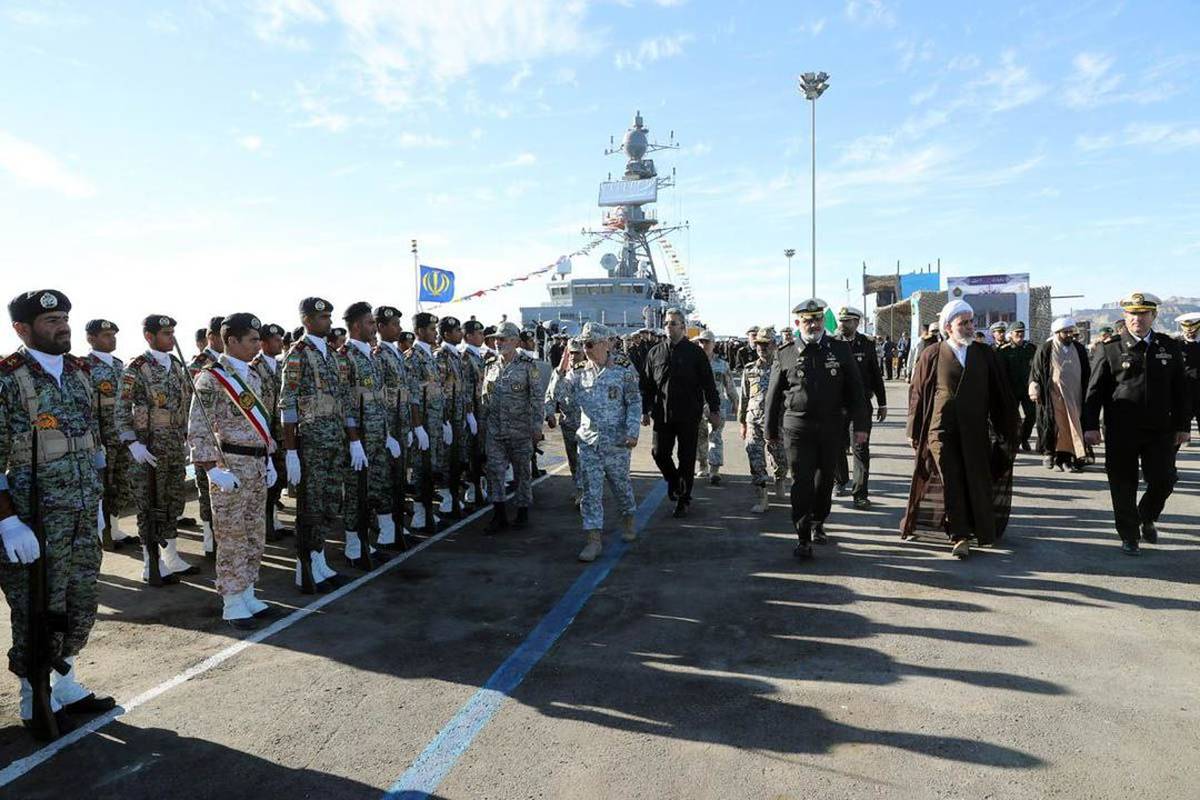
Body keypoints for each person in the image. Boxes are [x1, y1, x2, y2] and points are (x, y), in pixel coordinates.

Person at [1, 289, 116, 740]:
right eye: (50, 321)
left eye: (64, 317)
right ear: (22, 329)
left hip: (82, 511)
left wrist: (99, 500)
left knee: (80, 602)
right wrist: (7, 520)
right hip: (34, 521)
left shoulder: (79, 372)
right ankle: (34, 695)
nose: (62, 326)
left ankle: (65, 683)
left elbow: (91, 438)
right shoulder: (8, 379)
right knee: (37, 609)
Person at [901, 300, 1018, 559]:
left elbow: (1000, 394)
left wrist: (1008, 428)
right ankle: (959, 535)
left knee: (975, 478)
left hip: (976, 430)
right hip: (941, 430)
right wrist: (913, 430)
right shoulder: (932, 354)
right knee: (951, 479)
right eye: (962, 323)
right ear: (948, 327)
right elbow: (917, 394)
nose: (969, 327)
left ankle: (978, 527)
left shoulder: (985, 354)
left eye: (971, 322)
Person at [187, 313, 277, 630]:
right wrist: (212, 469)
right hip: (230, 466)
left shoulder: (253, 375)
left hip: (256, 465)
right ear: (232, 341)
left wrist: (268, 459)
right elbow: (198, 426)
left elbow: (261, 425)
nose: (258, 345)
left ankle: (248, 592)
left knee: (254, 533)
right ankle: (232, 601)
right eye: (252, 340)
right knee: (231, 536)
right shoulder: (212, 378)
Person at [1083, 292, 1191, 555]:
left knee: (1164, 479)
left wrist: (1183, 425)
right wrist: (1090, 426)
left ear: (1153, 316)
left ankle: (1146, 515)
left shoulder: (1168, 347)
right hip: (1121, 429)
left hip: (1160, 428)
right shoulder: (1109, 348)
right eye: (1132, 314)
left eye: (1143, 314)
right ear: (1125, 316)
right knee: (1122, 483)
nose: (1137, 319)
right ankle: (1129, 535)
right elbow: (1094, 391)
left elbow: (1180, 389)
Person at [765, 299, 869, 560]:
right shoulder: (785, 352)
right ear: (798, 322)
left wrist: (861, 426)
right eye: (808, 320)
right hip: (797, 428)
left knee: (824, 481)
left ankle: (818, 521)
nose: (813, 324)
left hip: (831, 427)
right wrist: (770, 431)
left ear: (823, 321)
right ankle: (802, 536)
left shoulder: (839, 349)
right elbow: (773, 396)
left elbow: (856, 390)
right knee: (802, 481)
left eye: (818, 319)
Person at [550, 322, 641, 562]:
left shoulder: (623, 368)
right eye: (583, 345)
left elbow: (634, 401)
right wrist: (560, 370)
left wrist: (632, 431)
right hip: (589, 442)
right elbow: (558, 395)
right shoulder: (578, 371)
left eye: (589, 345)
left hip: (617, 443)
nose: (585, 350)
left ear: (604, 344)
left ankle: (628, 518)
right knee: (590, 492)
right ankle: (593, 540)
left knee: (621, 487)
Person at [118, 314, 199, 581]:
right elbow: (121, 410)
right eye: (166, 333)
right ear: (149, 336)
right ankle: (150, 564)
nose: (171, 338)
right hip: (148, 449)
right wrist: (132, 443)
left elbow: (184, 403)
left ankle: (171, 557)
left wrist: (186, 436)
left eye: (172, 333)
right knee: (150, 505)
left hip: (174, 445)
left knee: (173, 501)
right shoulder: (136, 368)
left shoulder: (176, 365)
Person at [280, 297, 346, 592]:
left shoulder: (331, 354)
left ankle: (319, 558)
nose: (329, 322)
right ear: (307, 320)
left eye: (330, 316)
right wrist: (292, 451)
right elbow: (288, 404)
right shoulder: (298, 354)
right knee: (311, 507)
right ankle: (305, 565)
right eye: (323, 317)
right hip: (311, 444)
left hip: (333, 440)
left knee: (330, 503)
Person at [639, 308, 720, 518]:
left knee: (686, 458)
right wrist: (645, 410)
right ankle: (674, 481)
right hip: (662, 414)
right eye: (666, 323)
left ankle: (684, 499)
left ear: (683, 327)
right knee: (659, 453)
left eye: (673, 323)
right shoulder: (655, 353)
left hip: (688, 414)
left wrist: (714, 409)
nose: (668, 326)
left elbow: (708, 383)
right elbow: (646, 385)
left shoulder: (695, 353)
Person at [338, 302, 398, 569]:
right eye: (370, 323)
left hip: (376, 436)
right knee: (355, 493)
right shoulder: (346, 357)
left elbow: (378, 399)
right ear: (356, 326)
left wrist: (387, 433)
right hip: (359, 440)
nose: (374, 328)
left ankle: (366, 541)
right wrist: (354, 441)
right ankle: (353, 548)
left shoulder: (371, 356)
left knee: (375, 488)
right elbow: (345, 403)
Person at [480, 322, 543, 533]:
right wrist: (482, 425)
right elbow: (484, 398)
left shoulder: (527, 365)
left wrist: (536, 427)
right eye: (496, 339)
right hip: (495, 430)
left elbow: (536, 398)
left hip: (520, 430)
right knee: (495, 471)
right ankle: (499, 515)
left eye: (502, 339)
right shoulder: (490, 365)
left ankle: (522, 512)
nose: (498, 343)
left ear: (515, 341)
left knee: (522, 472)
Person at [84, 319, 136, 548]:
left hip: (122, 436)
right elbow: (86, 409)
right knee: (102, 486)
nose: (112, 339)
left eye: (113, 335)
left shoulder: (118, 364)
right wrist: (96, 442)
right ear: (91, 338)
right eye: (106, 335)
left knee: (121, 485)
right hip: (102, 438)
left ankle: (114, 529)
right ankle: (102, 535)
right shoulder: (84, 366)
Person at [832, 307, 887, 509]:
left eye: (847, 321)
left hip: (860, 406)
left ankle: (860, 494)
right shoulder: (831, 343)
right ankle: (840, 480)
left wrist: (882, 402)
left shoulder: (866, 344)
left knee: (861, 449)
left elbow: (876, 375)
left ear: (857, 322)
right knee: (836, 445)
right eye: (841, 320)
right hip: (837, 406)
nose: (842, 324)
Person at [1029, 317, 1090, 472]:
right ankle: (1052, 455)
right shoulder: (1046, 348)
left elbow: (1086, 372)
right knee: (1057, 426)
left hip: (1075, 397)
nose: (1070, 335)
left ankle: (1067, 459)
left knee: (1072, 426)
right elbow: (1036, 371)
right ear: (1057, 333)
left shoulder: (1079, 348)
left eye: (1071, 331)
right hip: (1053, 396)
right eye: (1066, 332)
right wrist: (1034, 386)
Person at [739, 326, 788, 513]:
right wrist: (742, 423)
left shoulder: (783, 368)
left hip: (776, 422)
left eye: (766, 344)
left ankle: (780, 478)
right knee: (755, 457)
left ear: (775, 345)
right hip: (754, 421)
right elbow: (744, 398)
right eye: (759, 344)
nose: (762, 348)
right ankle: (762, 498)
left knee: (780, 458)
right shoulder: (749, 369)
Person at [188, 316, 225, 561]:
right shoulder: (199, 364)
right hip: (206, 438)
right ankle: (211, 541)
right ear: (211, 337)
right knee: (207, 490)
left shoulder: (229, 362)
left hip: (228, 439)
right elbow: (188, 402)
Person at [249, 323, 290, 542]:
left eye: (281, 339)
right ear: (263, 343)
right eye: (275, 340)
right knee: (266, 482)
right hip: (265, 434)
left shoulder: (282, 365)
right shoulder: (255, 367)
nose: (280, 343)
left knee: (280, 479)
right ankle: (266, 526)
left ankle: (273, 520)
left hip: (282, 433)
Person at [406, 312, 445, 533]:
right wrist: (418, 426)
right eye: (431, 329)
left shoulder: (430, 355)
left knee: (431, 467)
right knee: (421, 468)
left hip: (434, 421)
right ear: (420, 331)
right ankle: (420, 513)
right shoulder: (413, 357)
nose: (435, 333)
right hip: (423, 423)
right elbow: (412, 396)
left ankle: (428, 509)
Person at [435, 316, 477, 518]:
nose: (460, 333)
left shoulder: (457, 356)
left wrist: (469, 413)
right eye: (457, 330)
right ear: (446, 334)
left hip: (459, 415)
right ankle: (447, 501)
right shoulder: (441, 356)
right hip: (449, 417)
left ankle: (454, 497)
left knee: (458, 458)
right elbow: (439, 391)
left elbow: (464, 388)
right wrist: (444, 421)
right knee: (446, 460)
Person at [545, 337, 586, 506]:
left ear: (584, 353)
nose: (574, 356)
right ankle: (578, 487)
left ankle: (583, 491)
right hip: (568, 424)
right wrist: (549, 414)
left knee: (583, 459)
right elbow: (551, 395)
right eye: (571, 353)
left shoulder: (590, 371)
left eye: (577, 353)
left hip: (586, 426)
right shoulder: (560, 373)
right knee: (573, 460)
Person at [694, 330, 735, 485]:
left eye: (707, 342)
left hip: (717, 407)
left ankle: (714, 470)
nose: (703, 345)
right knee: (700, 438)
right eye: (701, 342)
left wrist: (735, 401)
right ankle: (703, 465)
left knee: (715, 437)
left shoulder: (722, 365)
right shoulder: (693, 363)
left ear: (713, 344)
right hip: (698, 406)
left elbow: (729, 385)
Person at [459, 319, 488, 508]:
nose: (482, 336)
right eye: (478, 334)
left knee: (481, 450)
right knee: (472, 451)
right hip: (474, 412)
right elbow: (466, 389)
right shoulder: (466, 357)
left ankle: (480, 486)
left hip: (482, 411)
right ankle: (472, 488)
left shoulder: (478, 356)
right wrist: (469, 414)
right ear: (468, 336)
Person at [997, 321, 1038, 451]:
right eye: (1017, 332)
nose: (1020, 334)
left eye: (1022, 332)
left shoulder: (1030, 348)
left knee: (1032, 415)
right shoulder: (1004, 350)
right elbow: (1000, 371)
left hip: (1027, 388)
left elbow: (1036, 367)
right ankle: (1013, 440)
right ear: (1011, 334)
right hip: (1011, 389)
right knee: (1012, 417)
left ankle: (1024, 438)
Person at [1175, 312, 1200, 444]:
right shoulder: (1175, 344)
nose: (1190, 333)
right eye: (1187, 330)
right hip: (1184, 393)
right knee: (1177, 434)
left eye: (1194, 330)